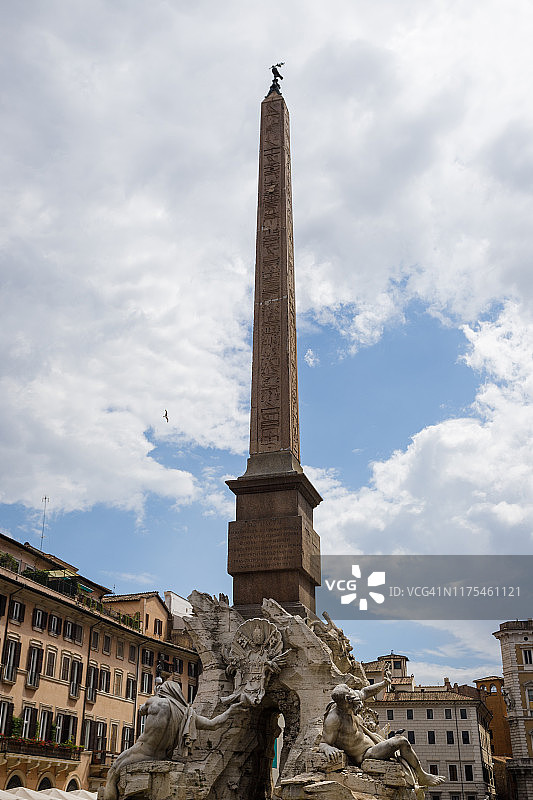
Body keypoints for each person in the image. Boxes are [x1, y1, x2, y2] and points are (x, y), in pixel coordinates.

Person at [103, 680, 246, 800]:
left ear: (163, 691)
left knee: (112, 773)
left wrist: (150, 699)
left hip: (142, 752)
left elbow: (141, 710)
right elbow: (213, 724)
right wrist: (230, 710)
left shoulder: (155, 702)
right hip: (163, 756)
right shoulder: (187, 713)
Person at [320, 683, 445, 787]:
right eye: (352, 706)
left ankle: (421, 774)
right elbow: (324, 742)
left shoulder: (351, 699)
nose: (354, 709)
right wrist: (327, 748)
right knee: (401, 741)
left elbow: (365, 692)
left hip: (373, 741)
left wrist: (384, 683)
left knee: (399, 741)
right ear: (345, 703)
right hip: (365, 754)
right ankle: (422, 775)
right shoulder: (334, 719)